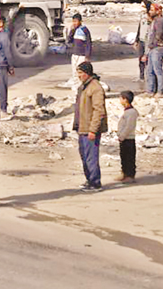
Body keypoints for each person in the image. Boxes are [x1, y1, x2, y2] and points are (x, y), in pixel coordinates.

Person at [73, 61, 107, 192]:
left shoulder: (95, 88)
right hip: (82, 128)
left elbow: (99, 111)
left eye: (80, 73)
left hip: (90, 129)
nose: (78, 76)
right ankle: (89, 180)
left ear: (87, 73)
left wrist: (93, 130)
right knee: (84, 156)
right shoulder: (83, 87)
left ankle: (95, 183)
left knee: (91, 157)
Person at [143, 3, 163, 96]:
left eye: (152, 10)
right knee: (150, 71)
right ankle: (150, 91)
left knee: (157, 71)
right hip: (152, 48)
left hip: (157, 49)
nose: (150, 12)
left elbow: (160, 33)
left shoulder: (160, 20)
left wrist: (157, 41)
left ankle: (160, 91)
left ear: (158, 11)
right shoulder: (155, 20)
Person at [65, 13, 92, 89]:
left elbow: (88, 43)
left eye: (76, 21)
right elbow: (69, 40)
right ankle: (76, 86)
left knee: (81, 71)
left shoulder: (84, 30)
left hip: (82, 55)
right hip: (75, 54)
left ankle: (81, 87)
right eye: (73, 21)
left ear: (80, 21)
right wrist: (71, 31)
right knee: (75, 71)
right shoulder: (74, 30)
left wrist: (87, 55)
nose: (74, 23)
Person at [116, 90, 137, 183]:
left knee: (129, 158)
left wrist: (122, 135)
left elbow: (129, 126)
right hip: (124, 138)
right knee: (123, 157)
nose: (120, 100)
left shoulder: (132, 112)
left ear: (125, 99)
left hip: (129, 138)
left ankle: (130, 175)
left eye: (121, 98)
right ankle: (124, 173)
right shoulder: (127, 111)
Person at [133, 0, 152, 82]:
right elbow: (139, 28)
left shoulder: (151, 16)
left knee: (147, 58)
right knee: (140, 58)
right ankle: (141, 76)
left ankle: (149, 76)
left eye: (143, 6)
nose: (141, 8)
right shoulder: (142, 16)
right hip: (141, 40)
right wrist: (136, 40)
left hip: (148, 40)